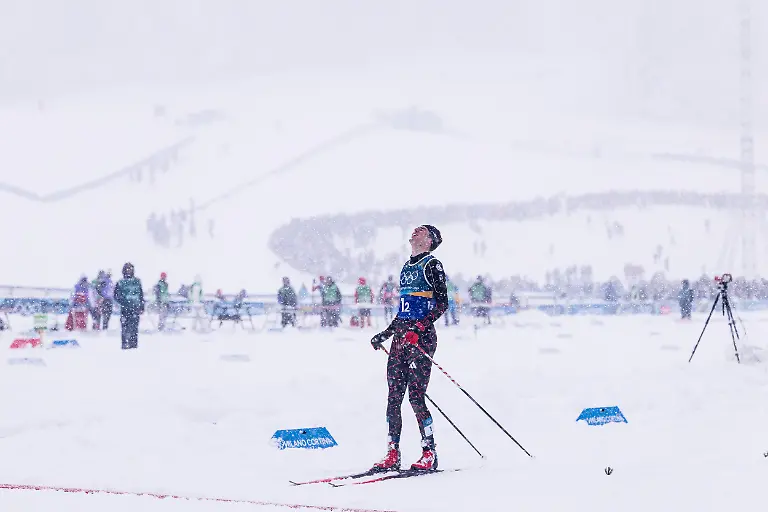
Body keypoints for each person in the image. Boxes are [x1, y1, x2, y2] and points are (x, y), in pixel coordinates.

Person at [370, 224, 448, 472]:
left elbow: (442, 303)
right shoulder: (406, 267)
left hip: (421, 339)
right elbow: (403, 312)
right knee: (394, 398)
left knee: (415, 396)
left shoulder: (432, 265)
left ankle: (429, 453)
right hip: (401, 339)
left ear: (430, 240)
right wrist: (385, 333)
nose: (414, 232)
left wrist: (420, 328)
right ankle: (392, 452)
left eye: (421, 230)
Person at [114, 262, 145, 349]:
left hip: (135, 308)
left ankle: (133, 344)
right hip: (125, 309)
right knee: (125, 327)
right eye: (127, 269)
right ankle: (125, 344)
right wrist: (123, 301)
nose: (129, 271)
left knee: (134, 328)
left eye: (130, 269)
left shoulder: (137, 282)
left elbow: (141, 295)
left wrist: (142, 306)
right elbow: (116, 295)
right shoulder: (120, 282)